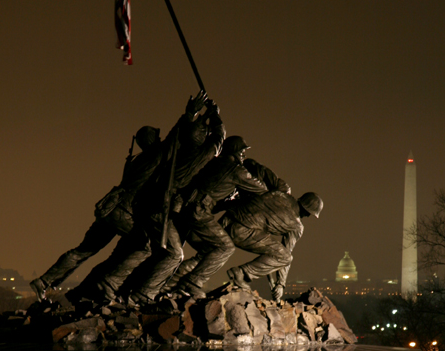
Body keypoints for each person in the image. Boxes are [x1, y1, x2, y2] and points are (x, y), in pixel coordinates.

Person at [71, 92, 224, 306]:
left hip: (145, 207)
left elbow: (178, 134)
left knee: (142, 249)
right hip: (157, 210)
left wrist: (195, 115)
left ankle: (109, 285)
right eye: (204, 133)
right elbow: (218, 142)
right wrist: (215, 117)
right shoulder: (196, 157)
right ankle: (140, 295)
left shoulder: (174, 152)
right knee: (173, 254)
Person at [29, 125, 163, 302]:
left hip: (109, 209)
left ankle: (43, 281)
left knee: (82, 251)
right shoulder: (154, 157)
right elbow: (168, 145)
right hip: (123, 212)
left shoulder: (134, 160)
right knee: (145, 246)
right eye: (157, 138)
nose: (160, 140)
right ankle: (110, 283)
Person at [164, 136, 271, 299]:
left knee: (207, 250)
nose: (244, 155)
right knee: (225, 247)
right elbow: (261, 189)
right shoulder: (236, 170)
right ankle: (192, 283)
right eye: (242, 151)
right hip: (199, 211)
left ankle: (169, 285)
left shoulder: (213, 163)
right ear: (235, 151)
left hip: (187, 209)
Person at [222, 190, 323, 301]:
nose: (308, 216)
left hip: (228, 220)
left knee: (275, 251)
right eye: (310, 213)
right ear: (306, 208)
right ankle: (240, 273)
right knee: (285, 257)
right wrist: (280, 284)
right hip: (242, 232)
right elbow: (286, 254)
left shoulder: (281, 195)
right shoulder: (296, 226)